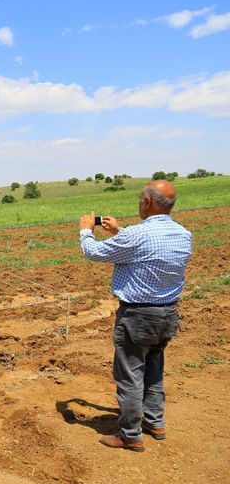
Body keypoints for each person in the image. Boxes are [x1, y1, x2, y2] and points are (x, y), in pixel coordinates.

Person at [78, 180, 192, 452]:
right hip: (169, 313)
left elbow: (93, 252)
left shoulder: (137, 236)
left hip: (138, 315)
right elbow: (146, 247)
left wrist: (86, 231)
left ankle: (130, 435)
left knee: (129, 374)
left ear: (148, 202)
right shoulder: (183, 234)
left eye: (141, 199)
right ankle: (155, 421)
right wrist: (119, 231)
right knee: (154, 368)